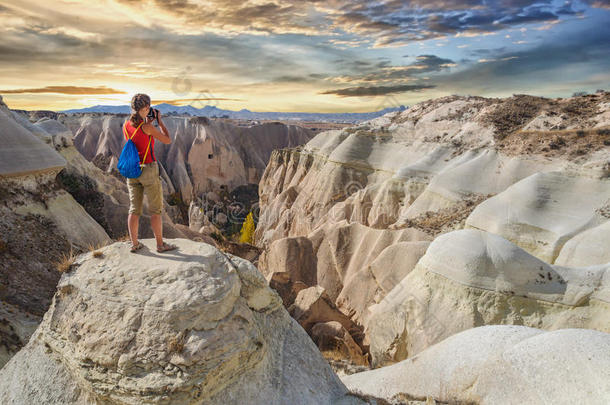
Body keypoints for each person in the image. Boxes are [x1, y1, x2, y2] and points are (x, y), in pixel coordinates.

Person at [123, 93, 176, 253]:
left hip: (132, 170)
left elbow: (136, 141)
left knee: (134, 209)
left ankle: (134, 243)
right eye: (148, 107)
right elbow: (167, 140)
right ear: (145, 108)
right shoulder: (148, 127)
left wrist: (149, 123)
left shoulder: (126, 125)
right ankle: (160, 245)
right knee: (155, 210)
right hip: (148, 169)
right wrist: (159, 122)